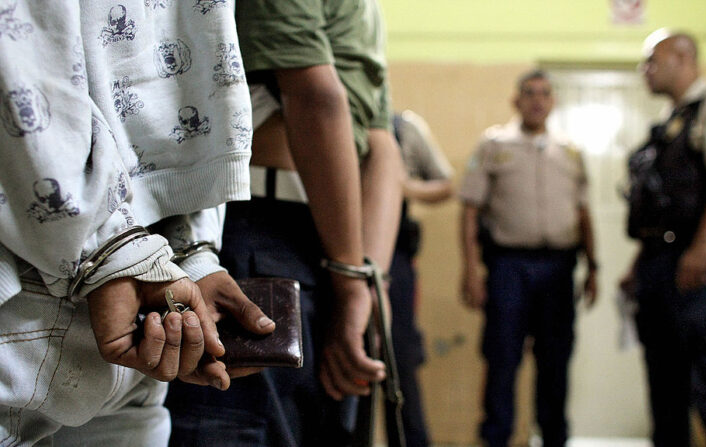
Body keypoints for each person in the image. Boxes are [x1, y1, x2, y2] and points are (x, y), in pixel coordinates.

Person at [0, 2, 272, 445]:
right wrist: (113, 253)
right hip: (48, 268)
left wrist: (186, 251)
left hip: (135, 281)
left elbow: (194, 69)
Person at [165, 0, 404, 445]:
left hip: (283, 236)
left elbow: (322, 101)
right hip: (312, 239)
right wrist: (365, 278)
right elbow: (368, 135)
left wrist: (360, 281)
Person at [622, 29, 706, 446]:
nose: (646, 70)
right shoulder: (666, 128)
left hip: (699, 259)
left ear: (683, 57)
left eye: (653, 60)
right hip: (659, 265)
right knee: (665, 385)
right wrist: (638, 266)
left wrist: (704, 243)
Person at [458, 70, 598, 447]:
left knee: (555, 363)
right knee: (502, 359)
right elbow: (470, 210)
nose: (537, 100)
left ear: (553, 102)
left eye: (545, 94)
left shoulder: (570, 150)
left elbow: (584, 213)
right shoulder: (494, 144)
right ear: (516, 101)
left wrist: (594, 267)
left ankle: (553, 438)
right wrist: (471, 271)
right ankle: (496, 438)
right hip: (508, 267)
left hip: (559, 268)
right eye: (529, 93)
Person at [387, 110, 454, 447]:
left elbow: (445, 183)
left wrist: (401, 187)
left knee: (400, 361)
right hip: (330, 256)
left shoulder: (404, 126)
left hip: (393, 260)